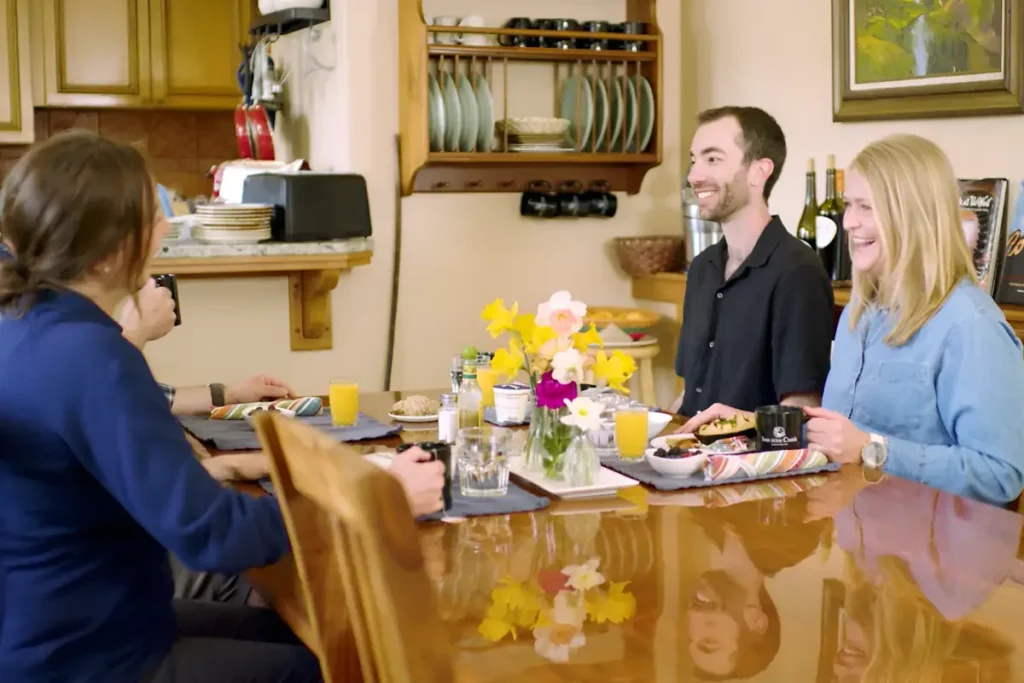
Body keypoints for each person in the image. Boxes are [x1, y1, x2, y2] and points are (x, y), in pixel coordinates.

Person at [0, 131, 444, 683]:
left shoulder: (24, 325)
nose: (165, 227)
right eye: (153, 214)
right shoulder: (93, 358)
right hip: (91, 661)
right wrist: (382, 498)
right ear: (111, 252)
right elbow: (212, 535)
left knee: (309, 633)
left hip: (69, 634)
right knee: (348, 668)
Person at [681, 134, 1024, 508]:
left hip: (935, 558)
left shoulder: (971, 327)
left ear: (914, 215)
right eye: (849, 205)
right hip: (852, 547)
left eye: (866, 207)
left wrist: (875, 450)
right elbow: (837, 439)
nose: (849, 222)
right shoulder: (861, 313)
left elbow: (1000, 475)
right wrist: (751, 426)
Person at [671, 106, 834, 418]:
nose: (694, 176)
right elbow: (690, 393)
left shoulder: (798, 273)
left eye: (713, 159)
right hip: (687, 458)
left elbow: (802, 409)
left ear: (759, 171)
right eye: (694, 160)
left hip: (751, 463)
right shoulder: (702, 268)